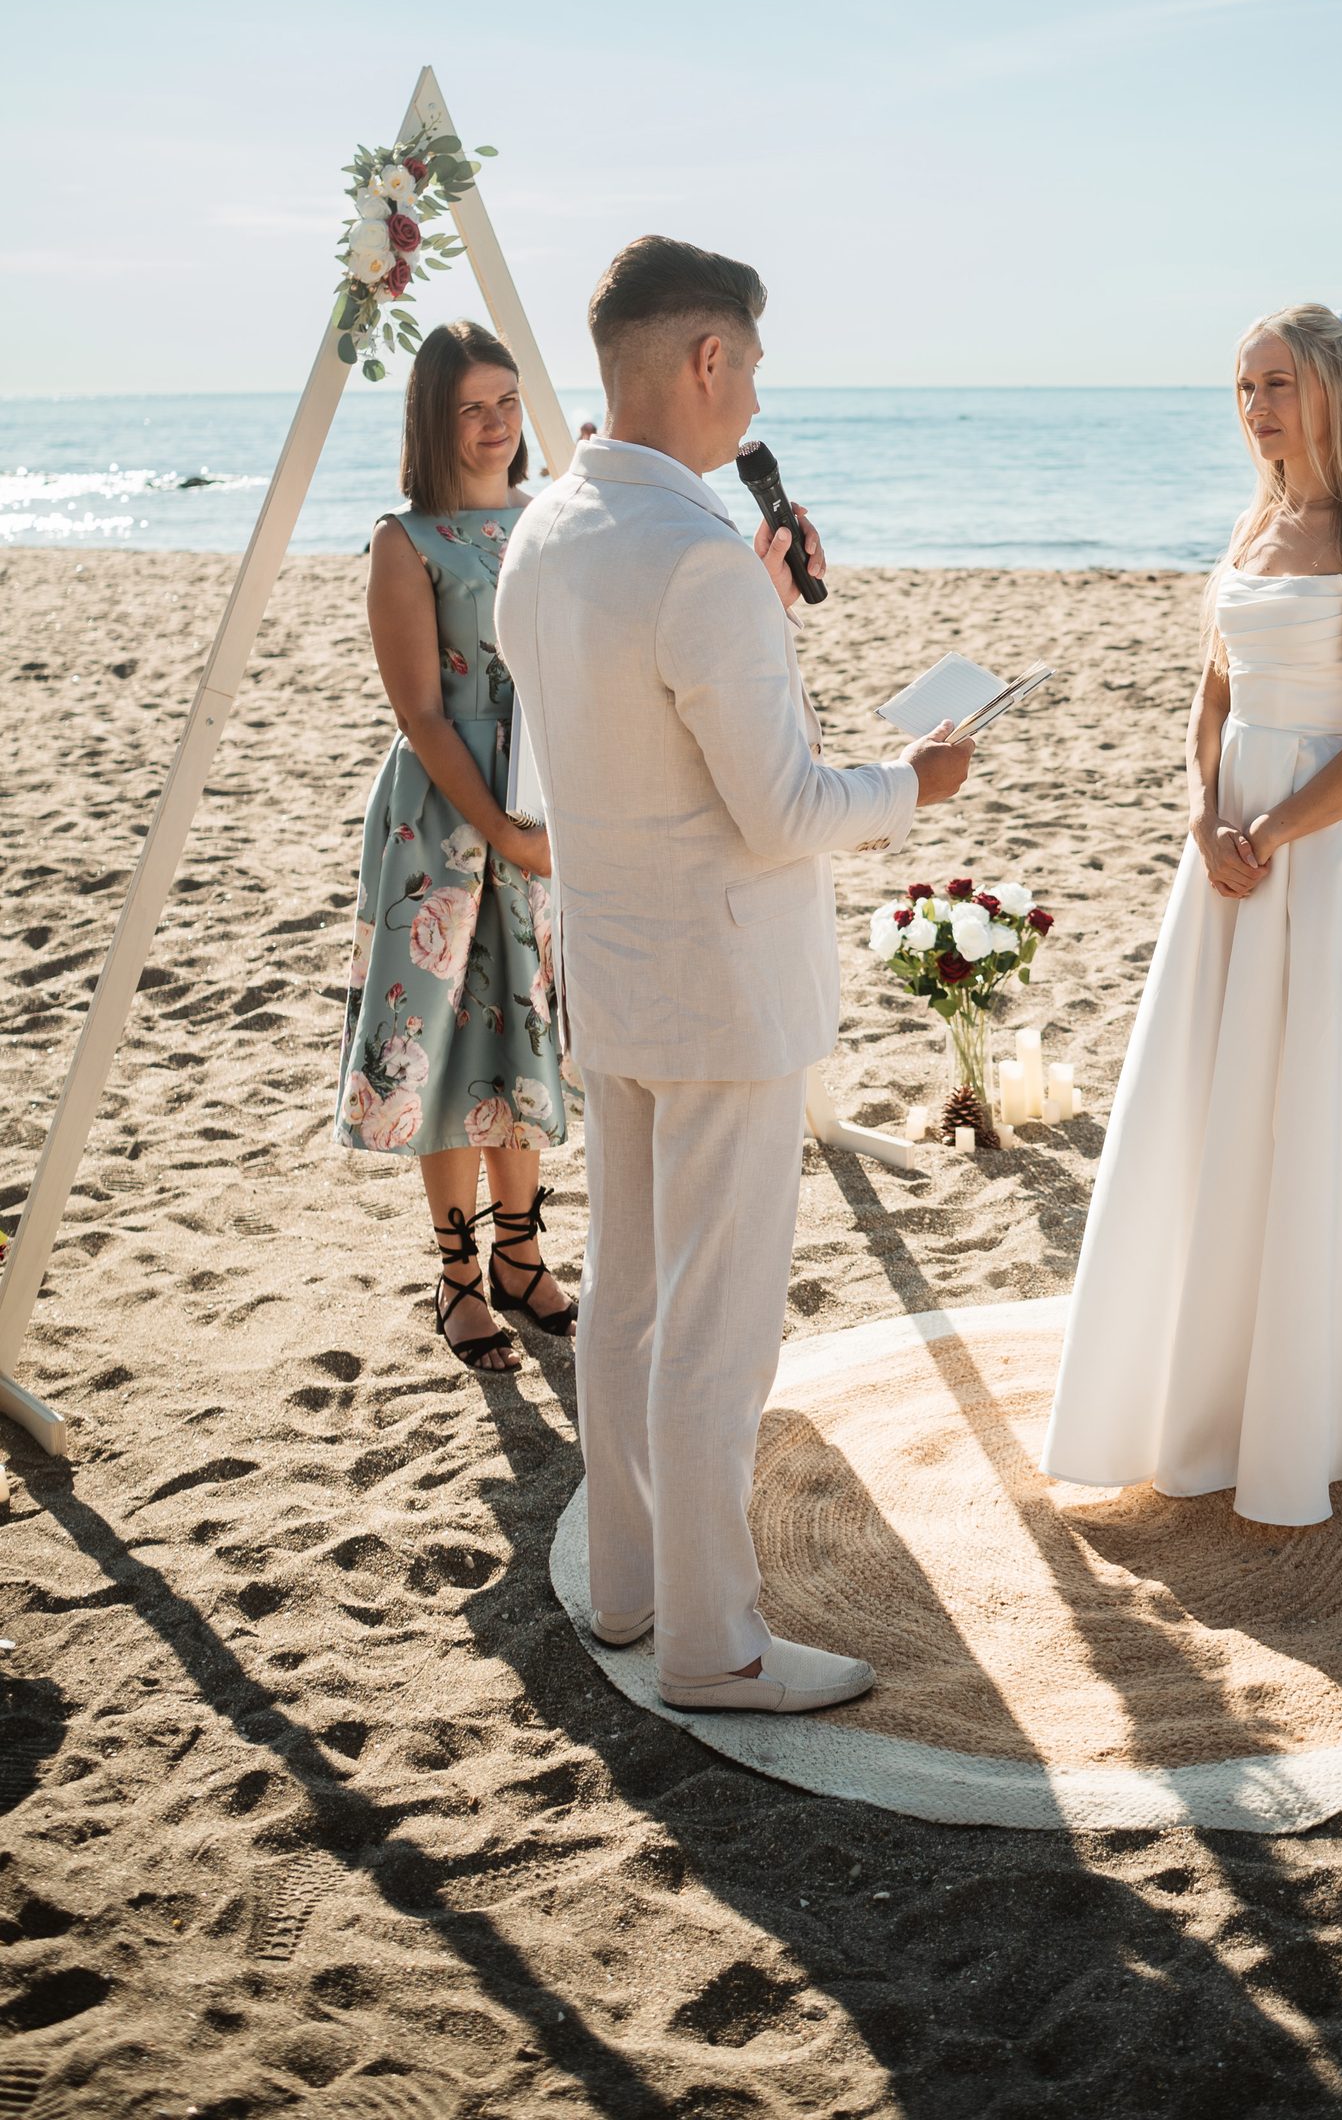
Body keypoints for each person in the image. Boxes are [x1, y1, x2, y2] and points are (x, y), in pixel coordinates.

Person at [495, 236, 973, 1713]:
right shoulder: (693, 557)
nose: (755, 392)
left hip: (614, 978)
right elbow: (780, 812)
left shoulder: (548, 530)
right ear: (706, 359)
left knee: (631, 1298)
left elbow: (628, 753)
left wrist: (759, 605)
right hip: (722, 990)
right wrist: (915, 784)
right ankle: (717, 1645)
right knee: (716, 1326)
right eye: (752, 363)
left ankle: (631, 1587)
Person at [1041, 303, 1342, 1523]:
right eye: (1245, 387)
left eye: (1279, 386)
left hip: (1324, 856)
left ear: (1334, 393)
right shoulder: (1251, 523)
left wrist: (1278, 830)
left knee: (1319, 1108)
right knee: (1212, 1104)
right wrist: (1206, 816)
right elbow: (1210, 699)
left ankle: (1333, 1394)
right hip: (1228, 857)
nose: (1257, 410)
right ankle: (1206, 1384)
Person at [335, 318, 574, 1377]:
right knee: (439, 1044)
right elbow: (425, 716)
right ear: (434, 416)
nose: (495, 425)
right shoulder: (406, 540)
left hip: (541, 794)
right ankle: (458, 1274)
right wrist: (505, 836)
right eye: (472, 406)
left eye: (508, 402)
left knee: (517, 1030)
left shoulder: (550, 521)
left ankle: (523, 1253)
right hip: (443, 815)